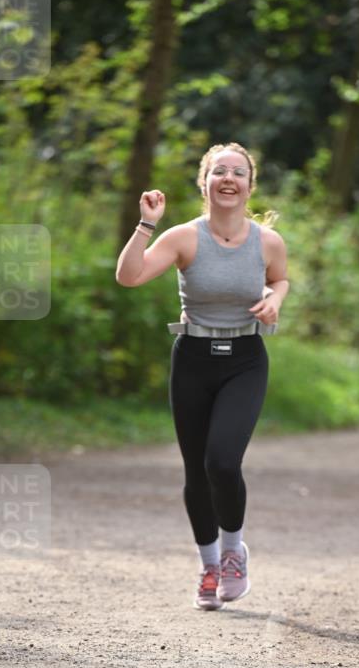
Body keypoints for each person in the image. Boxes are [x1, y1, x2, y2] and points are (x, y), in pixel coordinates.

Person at [116, 142, 290, 610]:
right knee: (196, 470)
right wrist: (146, 223)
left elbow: (280, 278)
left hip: (245, 360)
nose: (228, 179)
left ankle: (234, 551)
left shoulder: (266, 241)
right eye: (219, 172)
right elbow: (129, 277)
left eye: (238, 172)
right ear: (205, 183)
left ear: (250, 185)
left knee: (223, 463)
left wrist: (275, 300)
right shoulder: (183, 237)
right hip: (193, 359)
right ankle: (209, 566)